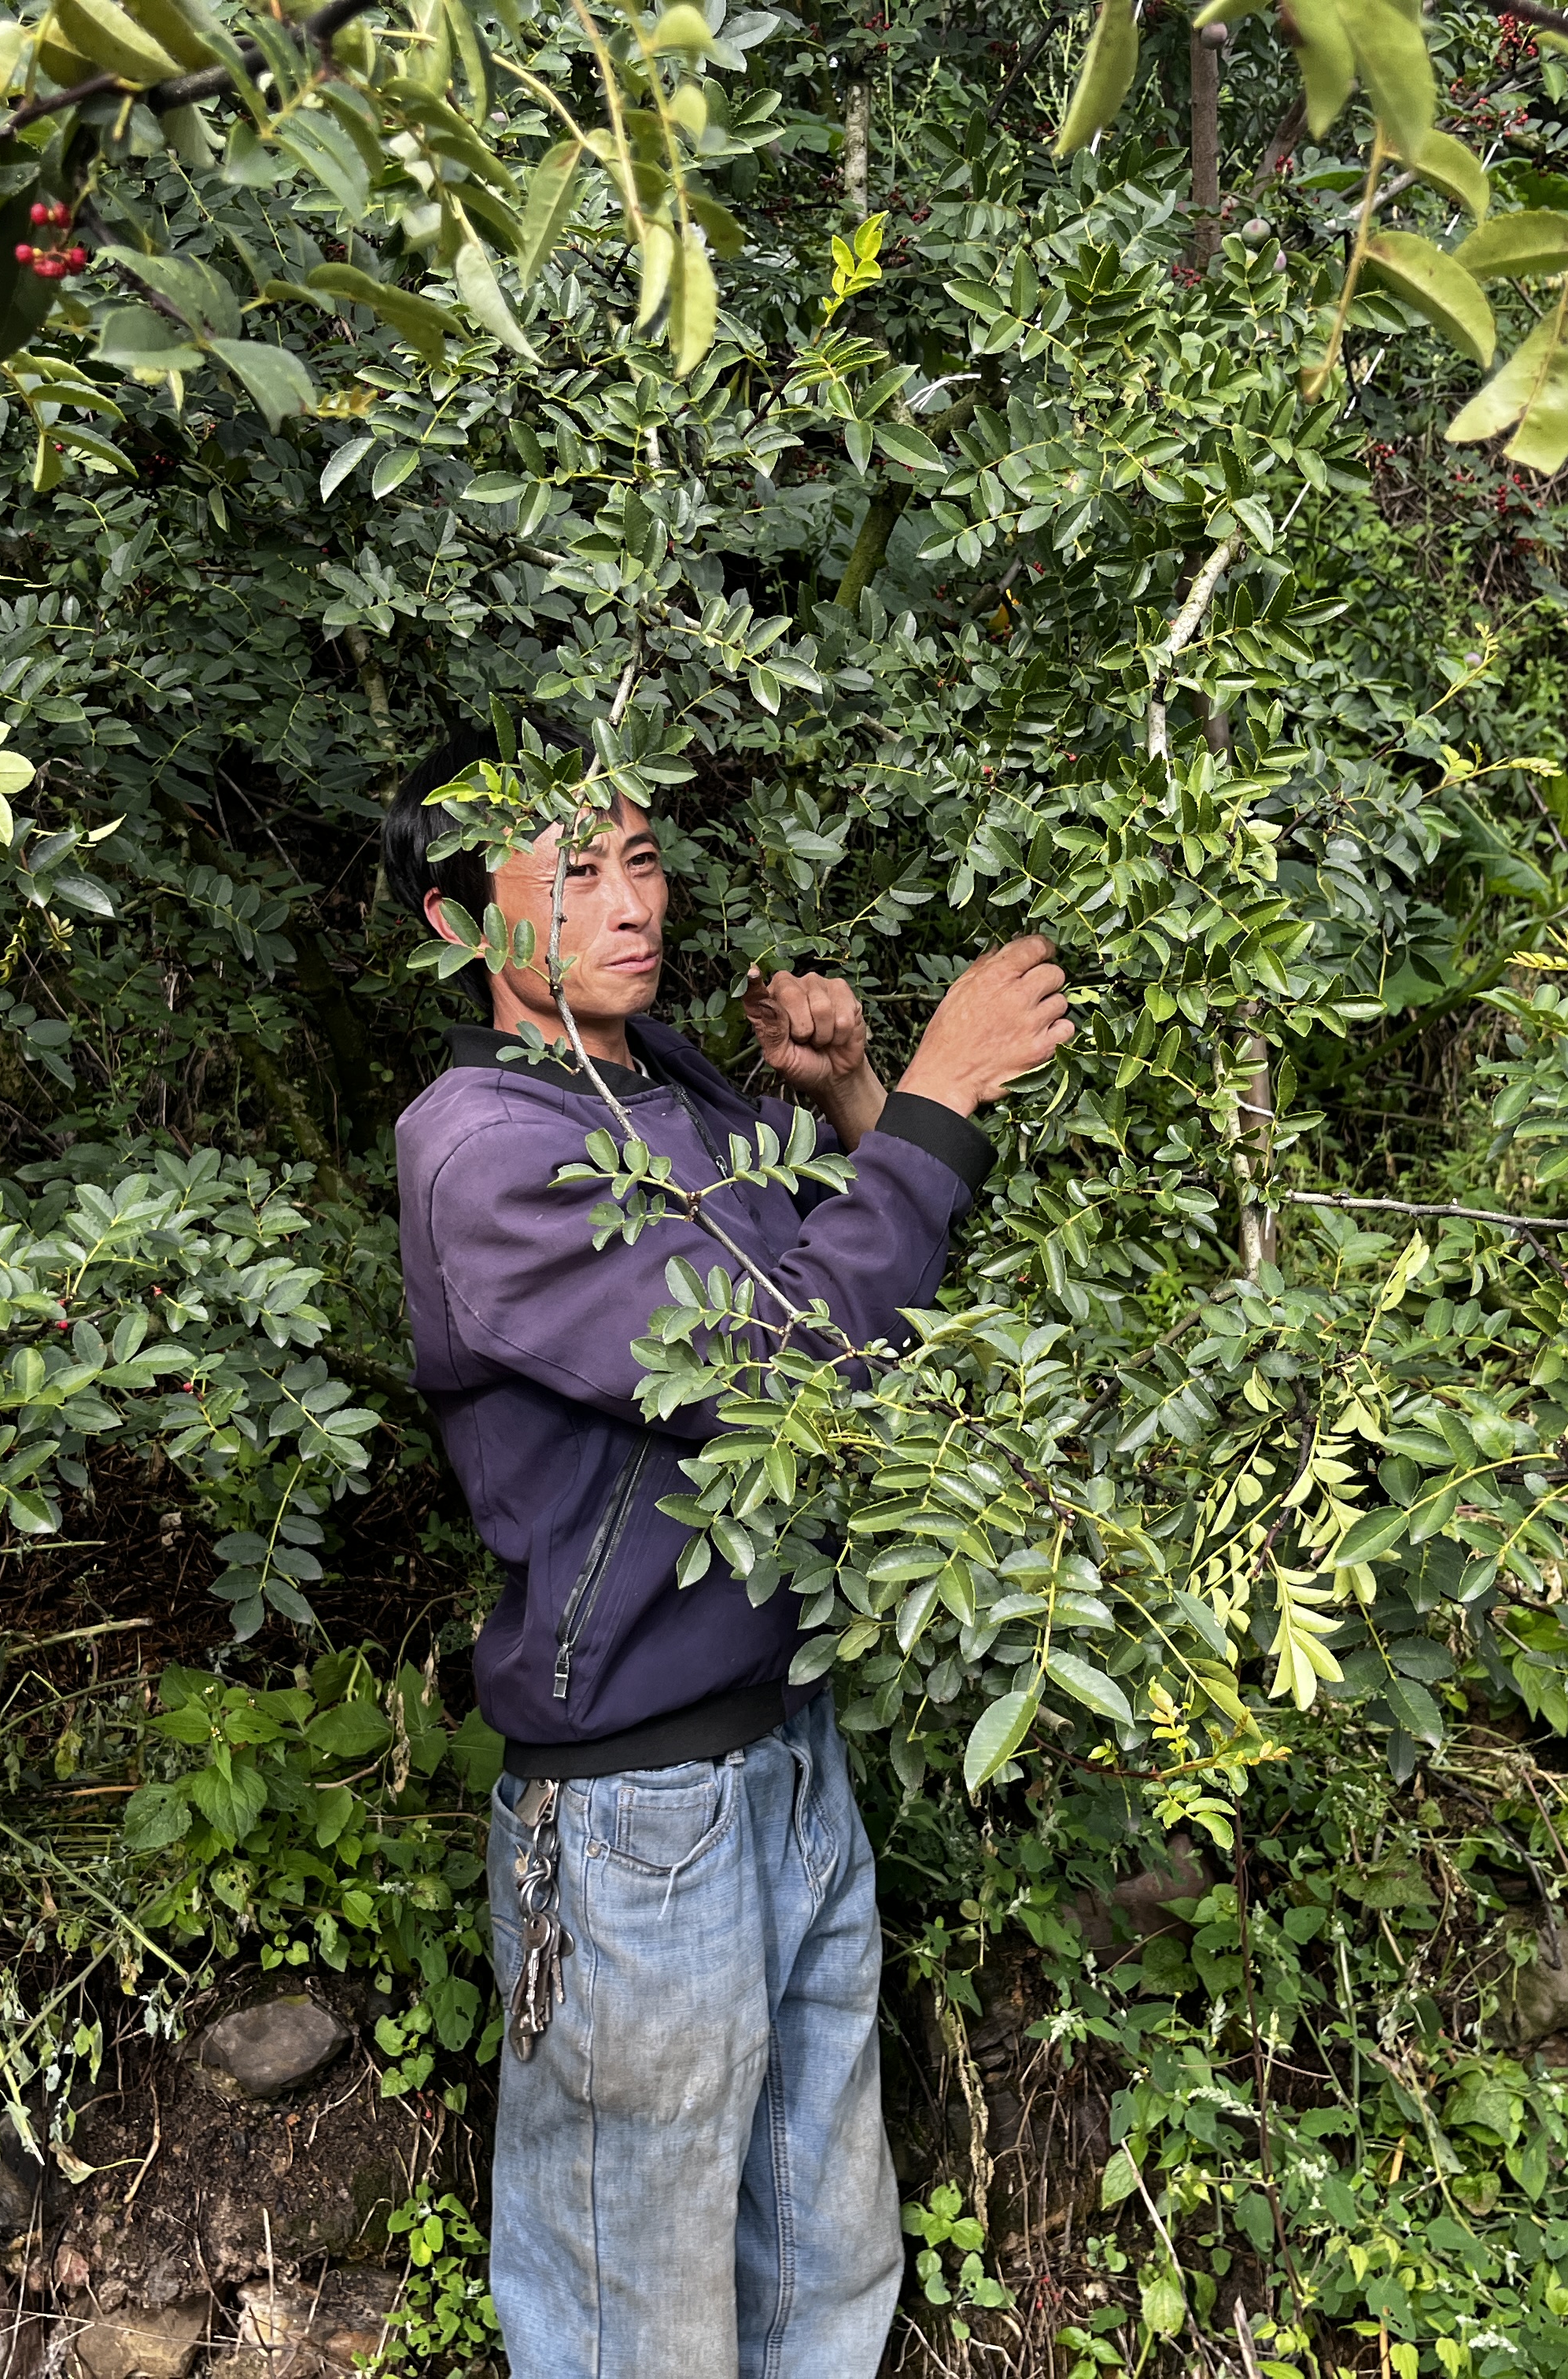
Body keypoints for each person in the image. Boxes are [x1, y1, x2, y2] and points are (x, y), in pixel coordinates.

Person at [385, 728, 1073, 2379]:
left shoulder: (670, 1086)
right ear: (458, 923)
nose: (632, 904)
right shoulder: (486, 1151)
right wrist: (940, 1094)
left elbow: (852, 1288)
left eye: (641, 858)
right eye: (575, 872)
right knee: (639, 2321)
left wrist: (851, 1100)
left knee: (823, 2272)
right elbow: (792, 1359)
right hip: (636, 1823)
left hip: (788, 1757)